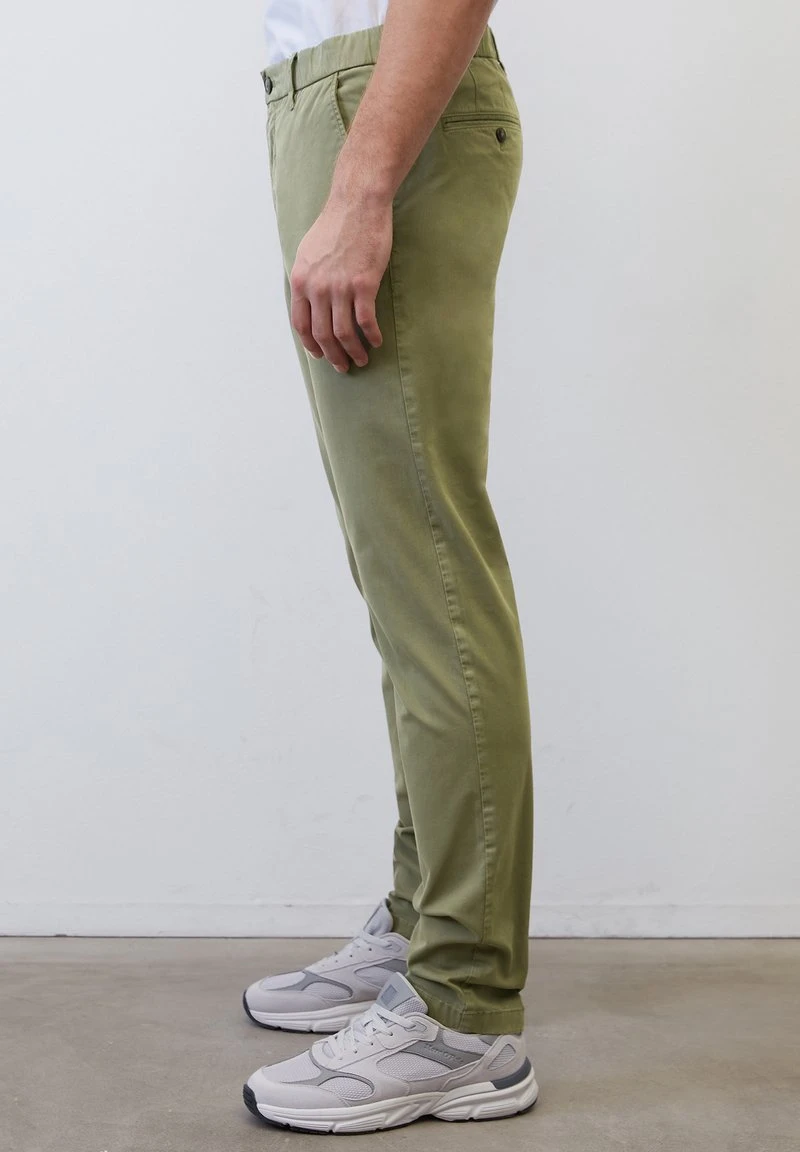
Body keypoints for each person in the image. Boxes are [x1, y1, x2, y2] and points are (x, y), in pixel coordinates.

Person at [242, 0, 536, 1133]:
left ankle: (461, 1007)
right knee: (401, 583)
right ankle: (422, 925)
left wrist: (363, 182)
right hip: (335, 98)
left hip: (383, 105)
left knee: (432, 581)